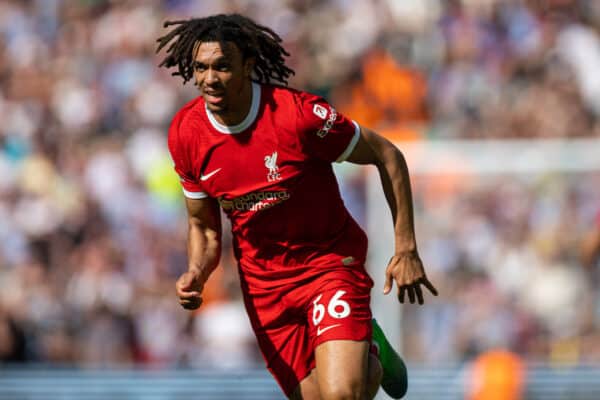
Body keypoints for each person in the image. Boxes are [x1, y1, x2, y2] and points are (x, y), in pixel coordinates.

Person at [156, 14, 437, 400]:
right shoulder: (186, 134)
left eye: (222, 66)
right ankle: (369, 348)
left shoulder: (298, 117)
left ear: (248, 65)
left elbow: (388, 156)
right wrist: (197, 272)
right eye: (201, 68)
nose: (210, 78)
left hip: (328, 266)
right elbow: (203, 227)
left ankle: (357, 346)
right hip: (265, 288)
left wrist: (405, 247)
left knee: (341, 396)